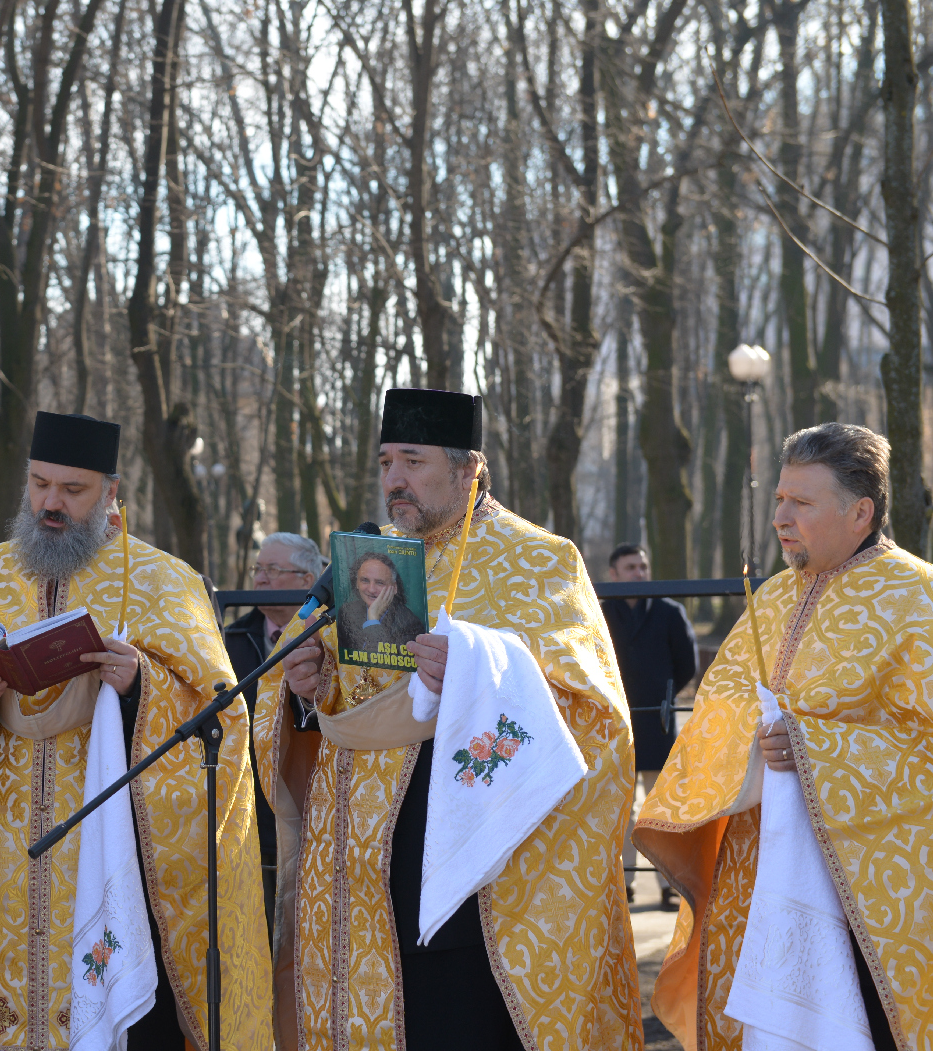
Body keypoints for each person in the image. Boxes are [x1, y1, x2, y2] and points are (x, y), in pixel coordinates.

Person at [259, 388, 639, 1051]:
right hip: (362, 865)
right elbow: (323, 694)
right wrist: (306, 685)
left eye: (412, 461)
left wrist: (478, 667)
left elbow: (592, 705)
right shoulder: (366, 562)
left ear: (469, 469)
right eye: (384, 463)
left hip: (482, 872)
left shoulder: (540, 559)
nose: (394, 480)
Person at [0, 411, 271, 1050]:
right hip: (0, 859)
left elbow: (223, 720)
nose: (51, 503)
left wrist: (140, 689)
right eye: (40, 484)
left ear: (110, 493)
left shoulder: (161, 582)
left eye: (72, 491)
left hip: (114, 850)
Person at [636, 423, 925, 1051]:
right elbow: (718, 704)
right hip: (757, 868)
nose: (781, 519)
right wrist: (753, 741)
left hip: (866, 885)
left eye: (802, 503)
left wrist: (817, 750)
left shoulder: (918, 599)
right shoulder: (770, 597)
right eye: (778, 501)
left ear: (861, 512)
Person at [222, 531, 323, 934]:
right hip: (246, 811)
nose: (260, 579)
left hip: (309, 798)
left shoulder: (331, 639)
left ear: (306, 580)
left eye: (273, 570)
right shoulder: (228, 639)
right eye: (258, 569)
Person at [601, 542, 694, 910]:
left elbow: (684, 662)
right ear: (613, 574)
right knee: (621, 809)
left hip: (657, 720)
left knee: (660, 809)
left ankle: (669, 885)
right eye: (630, 567)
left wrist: (666, 696)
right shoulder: (600, 611)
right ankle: (624, 884)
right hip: (615, 723)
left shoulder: (670, 612)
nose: (639, 573)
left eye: (642, 566)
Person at [337, 549, 424, 654]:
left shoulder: (410, 625)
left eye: (379, 583)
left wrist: (373, 620)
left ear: (394, 588)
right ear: (356, 583)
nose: (371, 589)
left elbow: (381, 661)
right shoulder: (347, 612)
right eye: (365, 580)